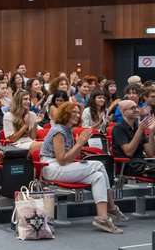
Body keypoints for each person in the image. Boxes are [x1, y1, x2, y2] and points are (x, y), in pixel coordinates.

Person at [39, 102, 127, 234]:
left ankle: (102, 218)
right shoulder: (58, 130)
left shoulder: (67, 129)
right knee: (98, 165)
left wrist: (79, 146)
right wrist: (79, 143)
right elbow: (62, 160)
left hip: (60, 166)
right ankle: (112, 206)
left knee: (99, 176)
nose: (77, 115)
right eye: (73, 112)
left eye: (78, 112)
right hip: (50, 167)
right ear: (65, 113)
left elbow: (69, 158)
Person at [111, 100, 155, 179]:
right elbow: (129, 152)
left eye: (136, 107)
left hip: (142, 163)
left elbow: (150, 152)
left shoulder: (138, 127)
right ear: (123, 112)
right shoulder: (118, 129)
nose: (136, 110)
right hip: (129, 165)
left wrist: (151, 131)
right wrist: (140, 130)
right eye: (132, 108)